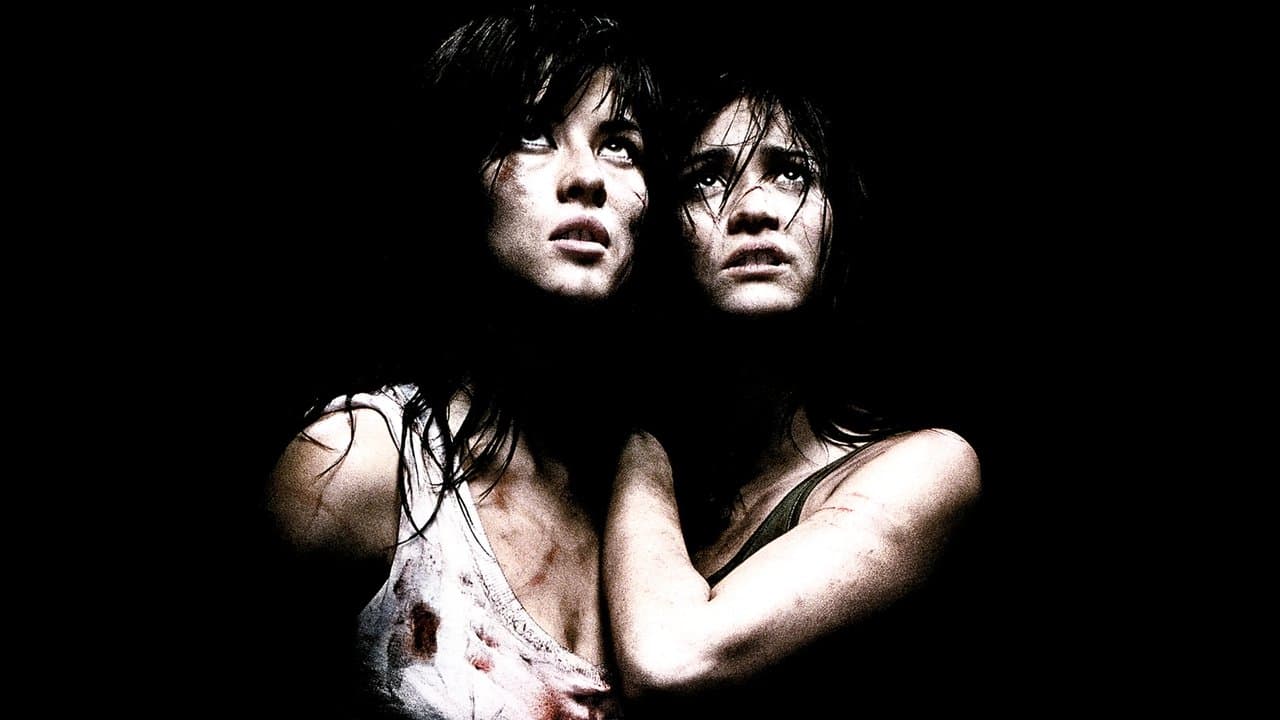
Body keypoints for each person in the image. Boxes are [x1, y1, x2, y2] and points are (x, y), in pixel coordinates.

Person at [265, 5, 660, 717]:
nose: (587, 177)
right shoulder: (362, 467)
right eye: (532, 133)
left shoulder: (663, 505)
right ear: (458, 181)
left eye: (620, 146)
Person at [603, 71, 983, 715]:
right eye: (707, 178)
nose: (753, 208)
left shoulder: (929, 468)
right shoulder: (646, 501)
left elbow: (672, 658)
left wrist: (637, 444)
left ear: (841, 220)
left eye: (791, 173)